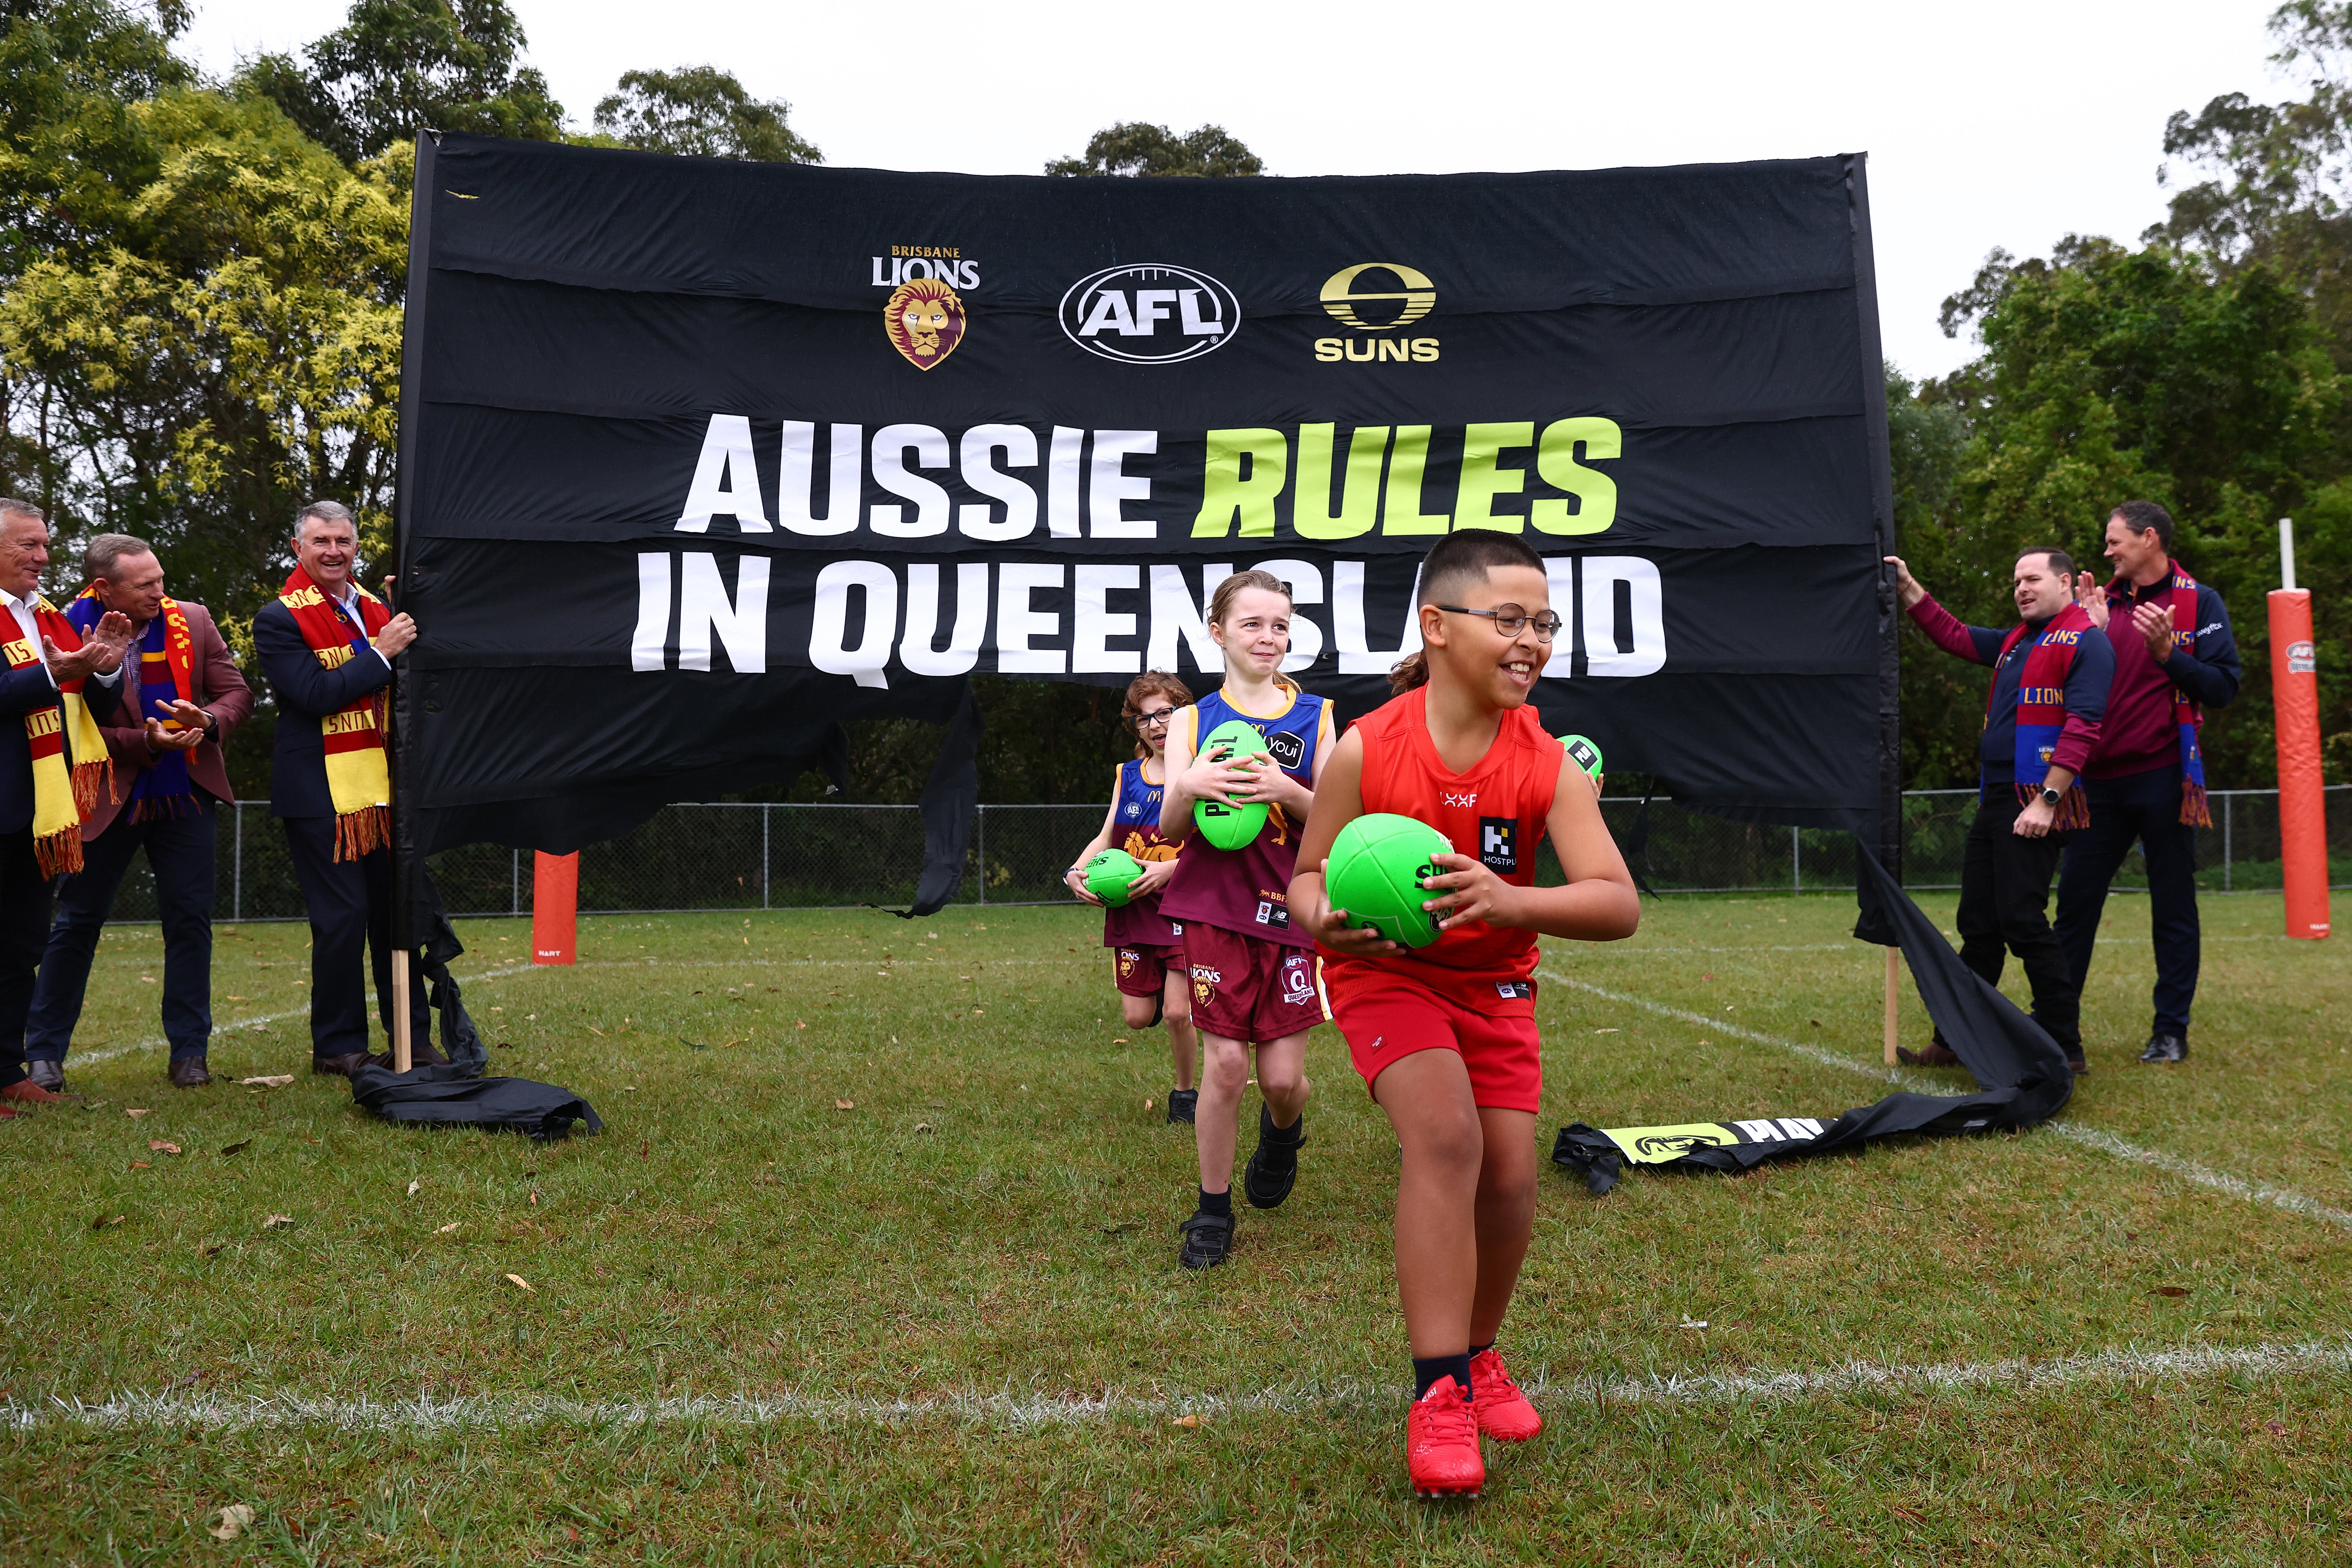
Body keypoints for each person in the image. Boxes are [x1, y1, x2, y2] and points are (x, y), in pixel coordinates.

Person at [1290, 531, 1639, 1498]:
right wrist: (1330, 924)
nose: (1532, 640)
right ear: (1435, 627)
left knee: (1511, 1180)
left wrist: (1509, 899)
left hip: (1494, 983)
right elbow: (1306, 880)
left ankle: (1482, 1352)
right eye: (1510, 619)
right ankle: (1437, 1389)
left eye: (1545, 623)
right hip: (1387, 975)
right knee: (1444, 1140)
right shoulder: (1366, 748)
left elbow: (1616, 901)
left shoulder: (1545, 764)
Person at [23, 535, 253, 1091]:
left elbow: (236, 691)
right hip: (102, 794)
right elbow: (70, 725)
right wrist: (144, 743)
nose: (160, 590)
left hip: (186, 794)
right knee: (77, 922)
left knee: (189, 922)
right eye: (145, 583)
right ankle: (44, 1053)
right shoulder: (61, 628)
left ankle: (189, 1053)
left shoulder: (193, 620)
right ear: (105, 588)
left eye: (160, 577)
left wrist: (206, 719)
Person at [1156, 570, 1334, 1270]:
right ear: (1218, 632)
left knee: (1284, 1081)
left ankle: (1283, 1135)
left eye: (1281, 625)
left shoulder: (1316, 714)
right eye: (1253, 623)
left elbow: (1336, 817)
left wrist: (1288, 790)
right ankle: (1211, 1211)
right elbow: (1172, 823)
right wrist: (1190, 784)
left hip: (1289, 907)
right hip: (1213, 909)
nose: (1269, 637)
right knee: (1226, 1066)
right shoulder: (1191, 720)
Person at [1886, 548, 2113, 1074]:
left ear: (2063, 582)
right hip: (1996, 799)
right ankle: (1954, 1040)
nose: (2021, 588)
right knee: (1979, 925)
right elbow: (1956, 635)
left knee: (2022, 921)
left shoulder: (2086, 640)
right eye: (2015, 580)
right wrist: (1907, 586)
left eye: (2032, 578)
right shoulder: (2016, 641)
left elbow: (2083, 726)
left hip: (2036, 800)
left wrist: (2047, 799)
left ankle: (2065, 1046)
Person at [2054, 501, 2240, 1065]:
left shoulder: (2198, 601)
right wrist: (2080, 631)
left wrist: (2168, 653)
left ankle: (2169, 1031)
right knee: (2073, 905)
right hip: (2096, 783)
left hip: (2163, 776)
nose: (2106, 551)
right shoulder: (2096, 604)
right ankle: (2055, 1028)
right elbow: (2055, 675)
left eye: (2114, 541)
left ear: (2148, 538)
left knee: (2173, 905)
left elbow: (2222, 686)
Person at [252, 500, 428, 1075]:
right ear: (297, 548)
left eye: (344, 541)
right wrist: (381, 650)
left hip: (384, 787)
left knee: (396, 913)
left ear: (357, 547)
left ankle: (413, 1038)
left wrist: (408, 611)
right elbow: (314, 694)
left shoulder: (379, 607)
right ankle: (337, 1046)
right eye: (321, 540)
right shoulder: (277, 617)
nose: (334, 551)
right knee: (343, 917)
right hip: (319, 791)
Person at [0, 499, 132, 1114]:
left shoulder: (47, 616)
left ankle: (7, 1069)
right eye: (29, 544)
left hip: (44, 810)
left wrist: (103, 669)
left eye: (46, 544)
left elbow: (90, 708)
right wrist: (63, 670)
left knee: (22, 943)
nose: (44, 557)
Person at [1063, 671, 1200, 1123]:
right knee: (1138, 1017)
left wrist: (1171, 870)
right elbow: (1106, 836)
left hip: (1184, 907)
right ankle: (1161, 989)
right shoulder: (1127, 775)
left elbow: (1221, 849)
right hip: (1134, 911)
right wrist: (1075, 871)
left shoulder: (1202, 773)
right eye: (1146, 719)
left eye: (1166, 713)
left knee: (1180, 1014)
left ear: (1184, 713)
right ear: (1136, 726)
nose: (1158, 725)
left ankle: (1185, 1094)